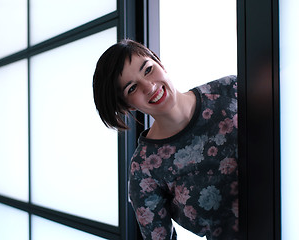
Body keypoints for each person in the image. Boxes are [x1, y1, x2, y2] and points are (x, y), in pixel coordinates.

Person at [93, 39, 238, 240]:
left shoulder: (230, 89)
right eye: (132, 88)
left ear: (159, 63)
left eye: (148, 70)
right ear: (127, 106)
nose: (149, 86)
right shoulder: (144, 170)